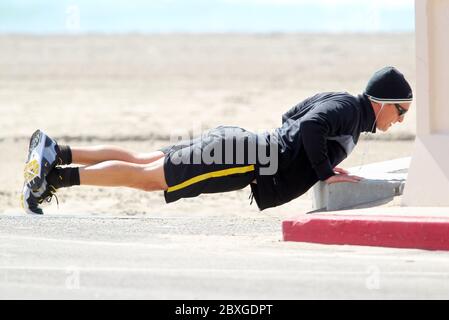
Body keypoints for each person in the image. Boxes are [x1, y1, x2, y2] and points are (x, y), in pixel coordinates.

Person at [21, 66, 413, 214]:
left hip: (244, 144)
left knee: (145, 162)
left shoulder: (345, 105)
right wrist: (324, 170)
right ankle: (53, 179)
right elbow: (308, 128)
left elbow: (292, 117)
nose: (400, 120)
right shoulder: (349, 110)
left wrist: (316, 160)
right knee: (149, 178)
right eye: (401, 111)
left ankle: (56, 153)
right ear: (383, 102)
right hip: (249, 156)